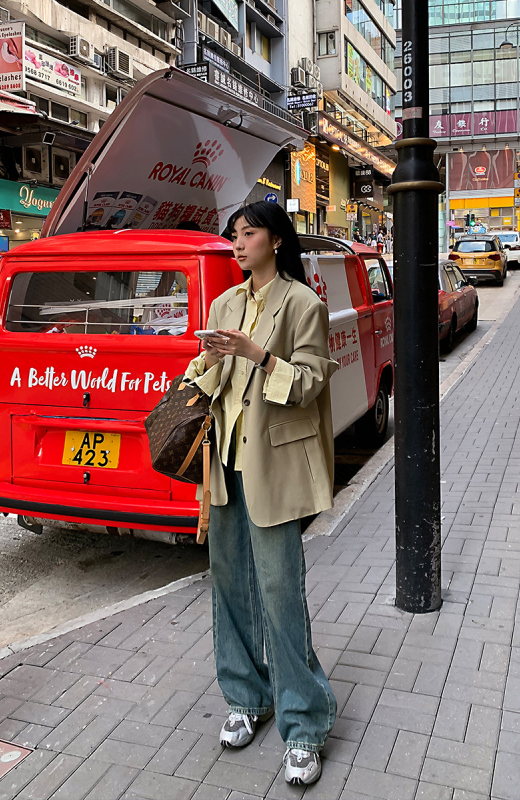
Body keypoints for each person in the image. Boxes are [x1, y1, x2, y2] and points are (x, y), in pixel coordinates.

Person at [184, 201, 338, 786]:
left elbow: (310, 382)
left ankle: (304, 725)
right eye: (234, 235)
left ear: (275, 240)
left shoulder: (303, 304)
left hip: (273, 464)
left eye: (247, 234)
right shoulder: (226, 303)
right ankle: (247, 698)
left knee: (279, 588)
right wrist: (198, 370)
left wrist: (255, 354)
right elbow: (210, 376)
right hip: (225, 462)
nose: (237, 244)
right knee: (228, 582)